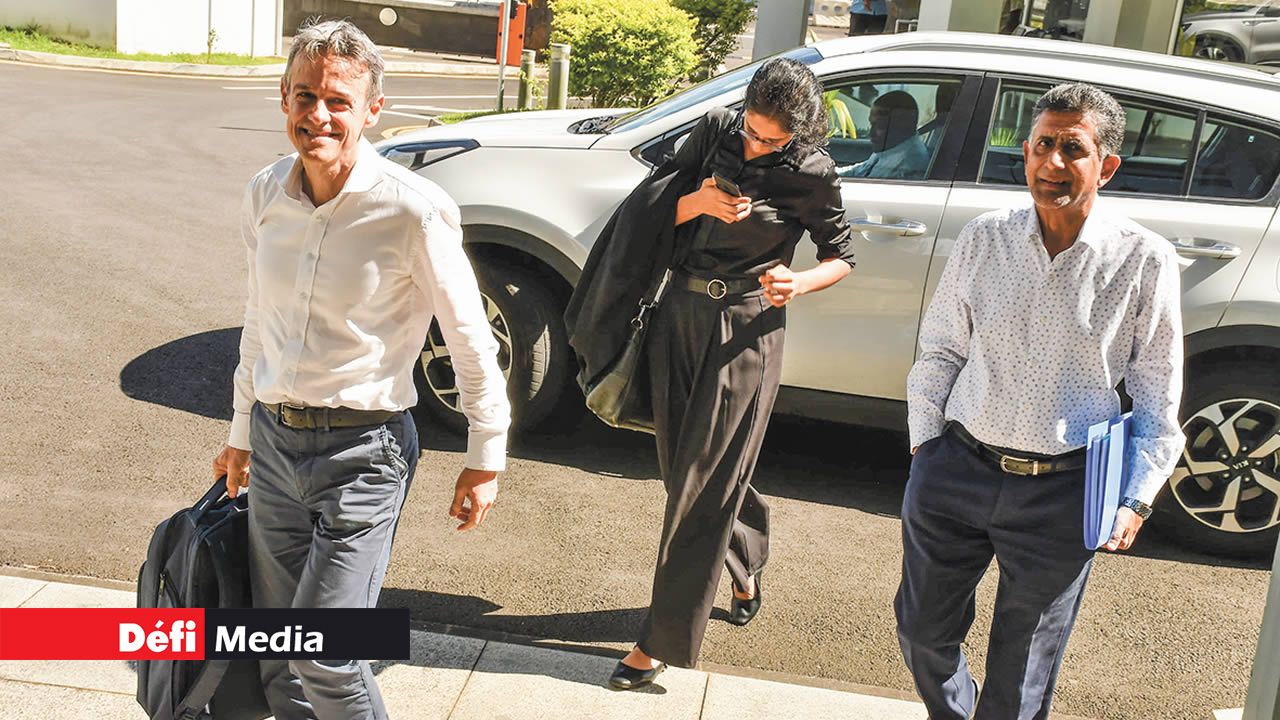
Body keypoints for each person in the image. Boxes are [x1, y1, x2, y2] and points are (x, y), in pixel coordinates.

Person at [211, 19, 511, 720]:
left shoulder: (413, 211)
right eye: (305, 96)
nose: (318, 114)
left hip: (364, 453)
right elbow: (259, 320)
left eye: (339, 101)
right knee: (281, 653)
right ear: (284, 97)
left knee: (327, 654)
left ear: (372, 110)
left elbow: (469, 336)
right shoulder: (264, 194)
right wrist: (240, 432)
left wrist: (485, 455)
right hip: (275, 443)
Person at [897, 83, 1184, 720]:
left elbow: (1157, 392)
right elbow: (942, 347)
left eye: (1072, 149)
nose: (1053, 161)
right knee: (921, 635)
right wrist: (925, 446)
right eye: (1042, 145)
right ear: (1025, 152)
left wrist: (1136, 497)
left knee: (1021, 678)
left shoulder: (1145, 260)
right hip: (957, 469)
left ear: (1106, 166)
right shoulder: (985, 238)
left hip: (1064, 492)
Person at [598, 58, 857, 690]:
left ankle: (658, 643)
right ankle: (746, 559)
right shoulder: (715, 128)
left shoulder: (812, 173)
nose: (756, 144)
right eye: (752, 129)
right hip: (678, 318)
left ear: (799, 133)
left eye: (772, 139)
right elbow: (645, 211)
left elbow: (841, 255)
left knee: (699, 487)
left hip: (745, 332)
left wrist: (798, 282)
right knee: (686, 473)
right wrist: (695, 202)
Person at [843, 91, 930, 179]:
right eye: (871, 124)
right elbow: (860, 170)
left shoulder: (905, 169)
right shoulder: (890, 149)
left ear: (902, 126)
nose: (871, 133)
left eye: (880, 126)